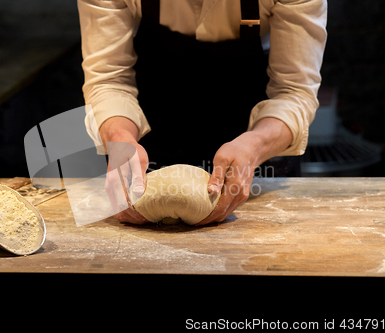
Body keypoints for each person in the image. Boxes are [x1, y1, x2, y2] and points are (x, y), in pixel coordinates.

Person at [78, 0, 327, 225]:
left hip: (253, 142)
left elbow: (294, 90)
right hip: (153, 134)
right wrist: (120, 137)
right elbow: (108, 79)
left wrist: (257, 145)